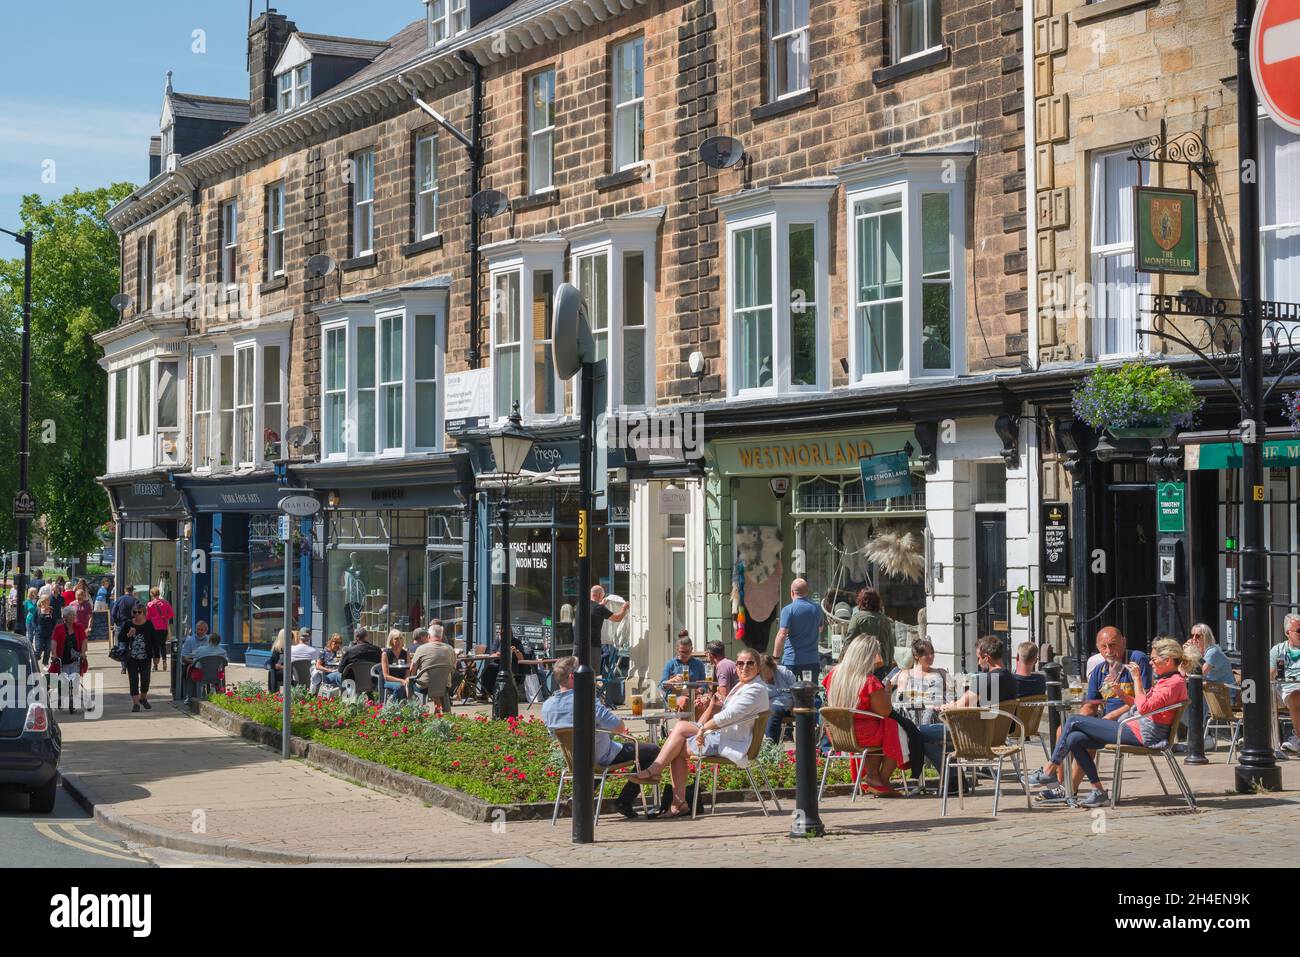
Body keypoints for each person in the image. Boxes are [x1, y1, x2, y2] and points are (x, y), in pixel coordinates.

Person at [1033, 637, 1188, 808]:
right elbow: (1141, 705)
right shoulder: (1167, 680)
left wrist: (1136, 679)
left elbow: (1143, 708)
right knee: (1074, 738)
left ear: (1167, 660)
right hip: (1135, 727)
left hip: (1144, 734)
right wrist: (1120, 694)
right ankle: (1099, 791)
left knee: (1073, 720)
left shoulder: (1173, 683)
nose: (1151, 663)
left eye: (1154, 659)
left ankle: (1049, 770)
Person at [634, 647, 769, 816]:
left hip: (732, 741)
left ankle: (658, 776)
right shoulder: (745, 685)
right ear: (736, 666)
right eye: (740, 663)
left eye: (750, 663)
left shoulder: (755, 689)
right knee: (679, 735)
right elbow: (728, 712)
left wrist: (703, 728)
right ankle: (673, 798)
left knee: (678, 741)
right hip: (726, 734)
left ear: (758, 666)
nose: (744, 667)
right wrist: (713, 705)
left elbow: (730, 715)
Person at [1030, 626, 1153, 800]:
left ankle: (1054, 776)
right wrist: (1080, 722)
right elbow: (1090, 707)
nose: (1109, 651)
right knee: (1066, 732)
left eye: (1113, 645)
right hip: (1108, 725)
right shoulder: (1099, 671)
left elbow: (1145, 700)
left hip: (1131, 723)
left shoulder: (1136, 660)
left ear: (1123, 642)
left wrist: (1111, 715)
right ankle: (1062, 787)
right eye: (1104, 647)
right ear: (1098, 649)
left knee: (1077, 730)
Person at [543, 655, 660, 820]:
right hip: (602, 756)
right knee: (652, 750)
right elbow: (618, 726)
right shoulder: (587, 700)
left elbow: (554, 734)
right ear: (572, 677)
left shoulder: (547, 706)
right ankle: (624, 801)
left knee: (597, 755)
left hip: (573, 759)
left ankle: (580, 797)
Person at [917, 635, 1018, 787]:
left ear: (987, 657)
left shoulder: (986, 680)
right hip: (997, 735)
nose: (978, 662)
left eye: (979, 658)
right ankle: (955, 781)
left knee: (920, 732)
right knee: (946, 734)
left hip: (975, 736)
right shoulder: (1011, 678)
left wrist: (946, 706)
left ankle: (952, 780)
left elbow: (961, 705)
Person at [823, 636, 910, 795]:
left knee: (883, 728)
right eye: (875, 654)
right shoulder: (869, 681)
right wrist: (888, 691)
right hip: (863, 735)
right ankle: (879, 779)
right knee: (894, 727)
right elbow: (884, 711)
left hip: (839, 732)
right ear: (867, 656)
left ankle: (874, 777)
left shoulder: (834, 675)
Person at [773, 578, 823, 681]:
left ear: (792, 592)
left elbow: (782, 634)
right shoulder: (817, 608)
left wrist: (775, 658)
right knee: (810, 693)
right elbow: (820, 629)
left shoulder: (788, 610)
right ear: (807, 591)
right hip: (812, 660)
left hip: (792, 661)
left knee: (790, 694)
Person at [893, 638, 949, 725]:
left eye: (932, 653)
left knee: (930, 712)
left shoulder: (942, 672)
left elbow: (953, 695)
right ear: (916, 656)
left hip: (938, 716)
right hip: (914, 718)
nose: (931, 656)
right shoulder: (906, 674)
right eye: (926, 654)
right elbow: (900, 700)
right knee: (929, 712)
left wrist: (945, 705)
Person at [116, 603, 161, 713]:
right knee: (133, 680)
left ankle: (143, 698)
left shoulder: (149, 625)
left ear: (144, 613)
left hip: (145, 658)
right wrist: (128, 634)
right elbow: (120, 637)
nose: (136, 614)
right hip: (131, 658)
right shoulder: (128, 624)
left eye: (138, 612)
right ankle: (136, 704)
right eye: (134, 612)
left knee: (146, 680)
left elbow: (155, 641)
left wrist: (157, 656)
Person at [48, 606, 89, 714]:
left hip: (75, 659)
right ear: (64, 617)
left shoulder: (78, 627)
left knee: (75, 680)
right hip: (63, 659)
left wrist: (83, 653)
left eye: (73, 615)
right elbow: (54, 641)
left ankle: (73, 702)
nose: (71, 617)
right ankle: (63, 697)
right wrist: (54, 654)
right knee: (64, 681)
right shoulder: (59, 628)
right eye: (69, 615)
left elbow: (84, 640)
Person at [1271, 613, 1300, 753]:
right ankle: (1255, 735)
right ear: (1288, 632)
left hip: (1296, 691)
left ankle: (1297, 739)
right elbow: (1270, 674)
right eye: (1299, 631)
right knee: (1251, 694)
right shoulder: (1278, 650)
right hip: (1282, 690)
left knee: (1296, 695)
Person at [846, 588, 894, 668]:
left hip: (862, 663)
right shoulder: (885, 620)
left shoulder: (857, 618)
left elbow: (849, 641)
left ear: (860, 601)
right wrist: (889, 665)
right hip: (881, 664)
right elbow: (890, 645)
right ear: (878, 602)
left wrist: (842, 661)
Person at [409, 626, 457, 704]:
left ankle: (413, 710)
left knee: (409, 682)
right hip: (444, 686)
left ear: (428, 636)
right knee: (438, 682)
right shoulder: (450, 649)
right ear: (441, 636)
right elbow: (453, 668)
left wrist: (415, 676)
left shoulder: (421, 649)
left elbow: (412, 669)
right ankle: (439, 708)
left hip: (425, 686)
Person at [759, 654, 797, 742]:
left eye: (766, 671)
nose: (764, 675)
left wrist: (795, 705)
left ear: (772, 667)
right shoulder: (758, 679)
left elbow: (795, 690)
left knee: (774, 711)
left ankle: (770, 743)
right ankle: (770, 743)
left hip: (789, 706)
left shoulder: (784, 672)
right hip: (769, 707)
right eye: (761, 672)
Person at [659, 632, 706, 700]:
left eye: (688, 651)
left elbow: (704, 684)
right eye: (682, 652)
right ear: (677, 650)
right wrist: (672, 680)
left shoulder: (699, 664)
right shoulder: (670, 664)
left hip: (695, 697)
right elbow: (662, 685)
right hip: (675, 698)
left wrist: (700, 690)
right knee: (683, 701)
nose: (685, 654)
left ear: (692, 649)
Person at [589, 585, 629, 656]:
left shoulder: (582, 605)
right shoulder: (598, 608)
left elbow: (594, 612)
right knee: (593, 667)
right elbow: (617, 618)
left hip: (578, 645)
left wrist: (602, 604)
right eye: (603, 595)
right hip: (592, 646)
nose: (602, 598)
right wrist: (624, 608)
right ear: (599, 594)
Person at [338, 627, 382, 691]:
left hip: (352, 682)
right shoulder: (377, 650)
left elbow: (340, 670)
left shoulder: (350, 651)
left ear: (356, 638)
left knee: (336, 677)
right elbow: (380, 667)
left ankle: (342, 697)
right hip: (372, 681)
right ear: (367, 636)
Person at [146, 586, 174, 671]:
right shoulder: (166, 603)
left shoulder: (150, 604)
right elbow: (171, 614)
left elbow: (148, 618)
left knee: (155, 647)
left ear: (152, 594)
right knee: (163, 645)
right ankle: (164, 661)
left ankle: (155, 665)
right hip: (163, 627)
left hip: (154, 628)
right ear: (159, 593)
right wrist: (164, 617)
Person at [34, 595, 56, 668]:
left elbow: (54, 621)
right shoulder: (38, 610)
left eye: (49, 600)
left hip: (49, 634)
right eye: (47, 600)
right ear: (42, 601)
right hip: (39, 634)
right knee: (39, 649)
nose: (48, 602)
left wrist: (53, 629)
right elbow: (33, 621)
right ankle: (34, 660)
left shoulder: (51, 610)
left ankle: (45, 664)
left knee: (47, 649)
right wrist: (36, 628)